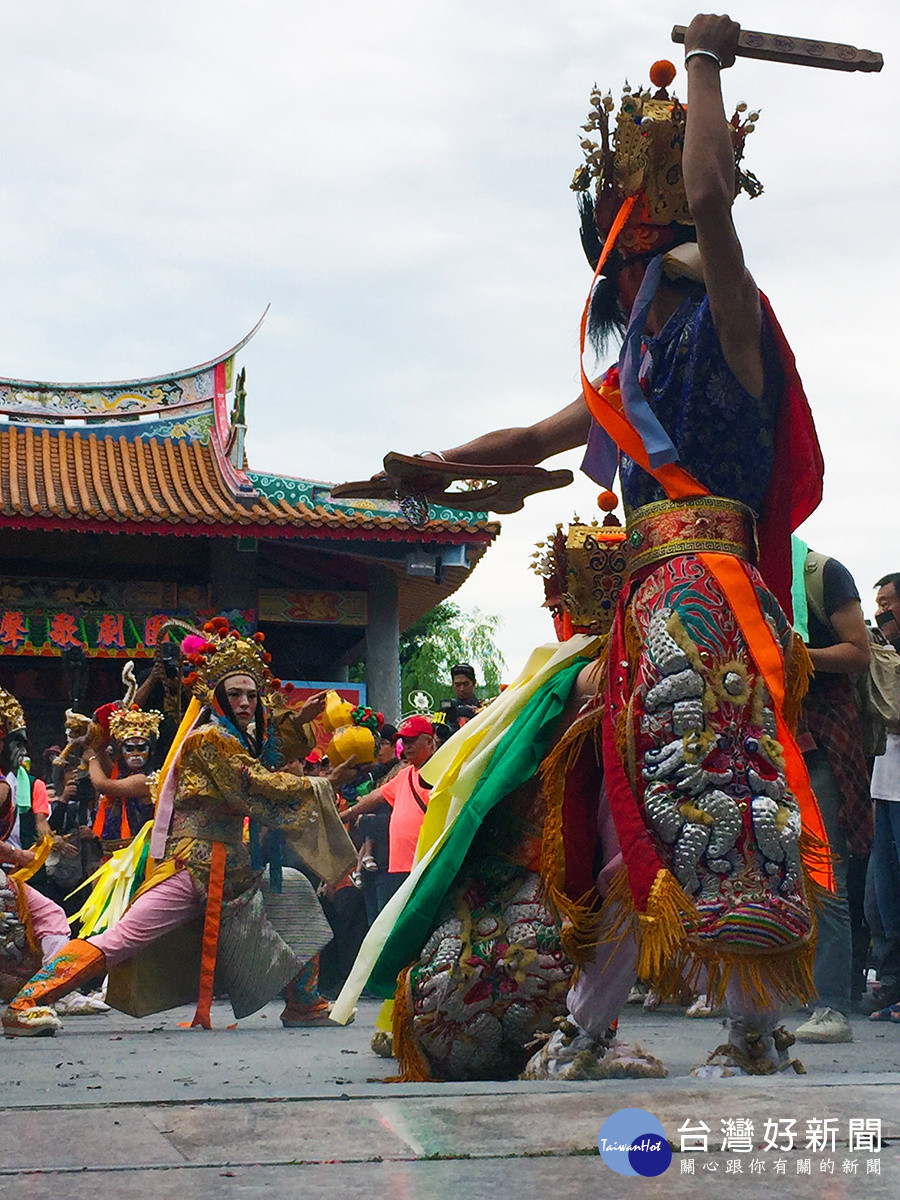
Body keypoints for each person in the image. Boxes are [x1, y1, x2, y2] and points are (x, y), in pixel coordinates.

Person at [334, 14, 830, 1080]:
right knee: (605, 799)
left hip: (711, 595)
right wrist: (423, 465)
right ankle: (597, 1023)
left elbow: (707, 198)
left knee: (715, 787)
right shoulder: (640, 364)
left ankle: (751, 1029)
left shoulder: (734, 322)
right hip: (645, 603)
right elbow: (530, 440)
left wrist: (702, 60)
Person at [2, 618, 357, 1037]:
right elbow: (251, 781)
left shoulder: (233, 737)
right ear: (218, 699)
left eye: (251, 694)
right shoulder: (209, 739)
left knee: (292, 892)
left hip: (233, 867)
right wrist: (322, 784)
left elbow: (265, 751)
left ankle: (303, 1001)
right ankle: (27, 1000)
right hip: (195, 865)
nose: (245, 702)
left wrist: (299, 720)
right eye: (235, 694)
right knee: (121, 939)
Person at [792, 545, 871, 1043]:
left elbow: (859, 653)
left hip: (819, 741)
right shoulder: (740, 572)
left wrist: (798, 658)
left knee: (826, 871)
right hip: (765, 739)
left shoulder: (821, 572)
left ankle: (831, 1008)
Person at [343, 716, 435, 909]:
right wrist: (346, 814)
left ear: (429, 742)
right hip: (397, 867)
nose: (407, 746)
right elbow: (376, 796)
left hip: (425, 866)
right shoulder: (405, 774)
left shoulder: (440, 772)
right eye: (405, 741)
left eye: (412, 740)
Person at [866, 573, 900, 1021]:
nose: (881, 612)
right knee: (882, 900)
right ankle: (892, 986)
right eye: (878, 604)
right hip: (884, 786)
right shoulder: (881, 654)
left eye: (889, 601)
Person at [439, 665, 483, 732]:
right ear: (453, 684)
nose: (461, 689)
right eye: (457, 685)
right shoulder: (447, 704)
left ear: (474, 683)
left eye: (465, 684)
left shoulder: (482, 707)